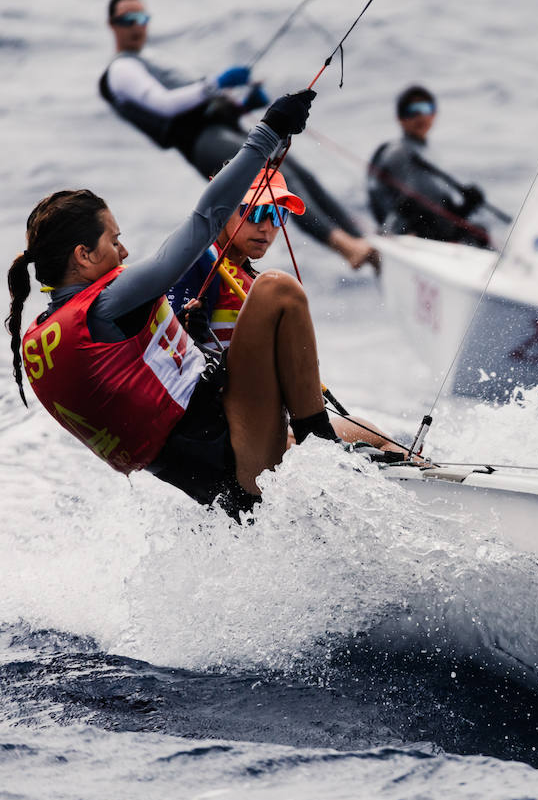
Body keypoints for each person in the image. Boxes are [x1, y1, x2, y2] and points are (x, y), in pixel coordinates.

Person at [7, 90, 377, 517]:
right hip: (241, 464)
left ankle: (358, 452)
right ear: (83, 255)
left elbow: (147, 390)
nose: (124, 252)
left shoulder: (51, 330)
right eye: (114, 240)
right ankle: (322, 456)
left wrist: (190, 334)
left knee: (373, 436)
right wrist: (268, 132)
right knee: (278, 290)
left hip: (221, 481)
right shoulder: (105, 308)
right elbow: (205, 219)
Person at [100, 0, 378, 270]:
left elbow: (200, 105)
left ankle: (361, 238)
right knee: (279, 180)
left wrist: (244, 104)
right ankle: (348, 248)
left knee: (301, 173)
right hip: (202, 143)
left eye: (142, 19)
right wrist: (216, 83)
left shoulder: (148, 59)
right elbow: (164, 104)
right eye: (128, 19)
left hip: (219, 129)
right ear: (113, 24)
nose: (137, 26)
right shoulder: (121, 69)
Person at [165, 166, 404, 452]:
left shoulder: (248, 278)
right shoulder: (204, 257)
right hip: (225, 424)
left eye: (278, 215)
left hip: (269, 416)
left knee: (379, 438)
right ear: (224, 209)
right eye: (253, 213)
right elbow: (165, 345)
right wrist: (187, 326)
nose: (266, 227)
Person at [367, 85, 492, 248]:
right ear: (400, 118)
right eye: (412, 111)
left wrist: (465, 207)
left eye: (425, 108)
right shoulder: (397, 152)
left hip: (435, 241)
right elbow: (393, 206)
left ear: (434, 114)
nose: (420, 116)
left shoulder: (429, 154)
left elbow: (435, 209)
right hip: (407, 243)